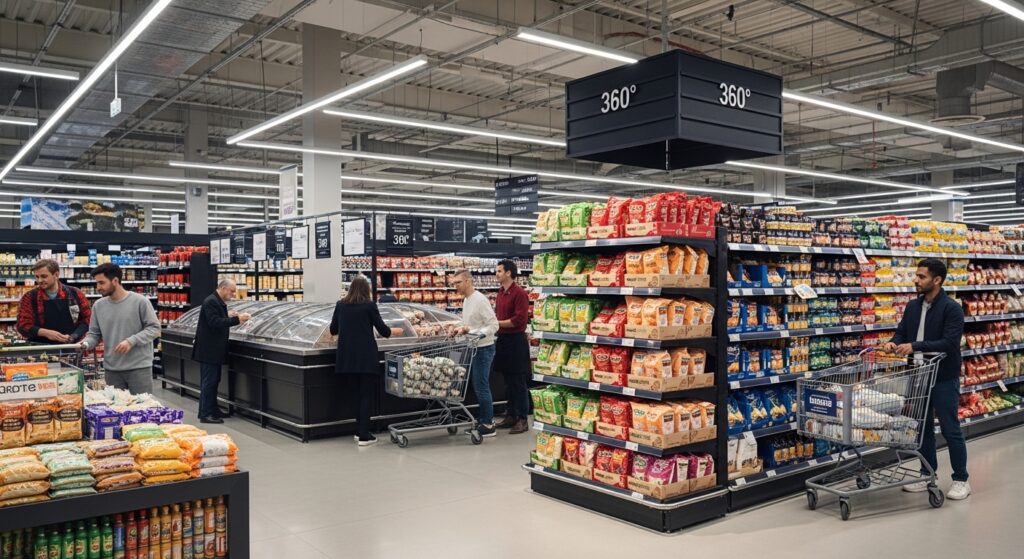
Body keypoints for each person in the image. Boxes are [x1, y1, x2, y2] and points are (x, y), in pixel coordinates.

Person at [882, 258, 970, 500]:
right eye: (916, 275)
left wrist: (915, 346)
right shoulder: (912, 306)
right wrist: (894, 342)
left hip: (943, 376)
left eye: (921, 276)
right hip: (917, 375)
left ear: (937, 280)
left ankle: (961, 479)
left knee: (951, 428)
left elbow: (950, 344)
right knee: (923, 428)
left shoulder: (951, 308)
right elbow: (902, 332)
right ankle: (926, 474)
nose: (916, 280)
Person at [329, 276, 403, 446]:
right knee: (365, 396)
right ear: (366, 290)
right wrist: (396, 331)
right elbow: (383, 330)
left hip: (346, 357)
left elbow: (333, 329)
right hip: (366, 356)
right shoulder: (369, 305)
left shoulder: (340, 305)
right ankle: (364, 435)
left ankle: (358, 430)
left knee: (355, 395)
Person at [81, 263, 161, 395]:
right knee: (116, 410)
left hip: (139, 368)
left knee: (142, 409)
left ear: (115, 281)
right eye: (97, 283)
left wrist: (131, 341)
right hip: (112, 369)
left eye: (101, 283)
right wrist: (85, 344)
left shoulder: (140, 302)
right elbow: (94, 334)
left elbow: (155, 329)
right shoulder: (98, 306)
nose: (98, 288)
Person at [191, 279, 251, 424]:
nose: (233, 294)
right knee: (209, 382)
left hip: (213, 351)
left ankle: (213, 409)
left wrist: (228, 314)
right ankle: (205, 414)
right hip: (209, 351)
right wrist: (238, 319)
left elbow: (216, 317)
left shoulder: (215, 301)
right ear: (223, 288)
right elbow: (215, 323)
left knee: (214, 380)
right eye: (231, 291)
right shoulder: (211, 301)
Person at [452, 270, 499, 438]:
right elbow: (469, 324)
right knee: (477, 386)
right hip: (473, 348)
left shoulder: (480, 300)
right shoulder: (467, 300)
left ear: (468, 281)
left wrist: (475, 332)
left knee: (481, 386)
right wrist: (460, 328)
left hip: (484, 348)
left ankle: (488, 424)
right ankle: (483, 420)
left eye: (458, 282)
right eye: (454, 283)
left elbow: (493, 325)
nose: (455, 286)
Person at [492, 259, 531, 434]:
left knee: (518, 382)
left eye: (499, 271)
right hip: (503, 340)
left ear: (509, 273)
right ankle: (511, 415)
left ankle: (522, 418)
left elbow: (519, 320)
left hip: (516, 341)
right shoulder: (500, 293)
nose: (497, 274)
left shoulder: (520, 293)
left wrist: (496, 324)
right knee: (507, 381)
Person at [16, 259, 91, 344]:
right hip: (39, 349)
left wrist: (74, 335)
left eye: (44, 276)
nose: (40, 280)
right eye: (37, 277)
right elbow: (23, 325)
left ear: (56, 275)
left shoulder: (75, 293)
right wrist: (45, 332)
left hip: (70, 346)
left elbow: (88, 319)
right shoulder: (29, 297)